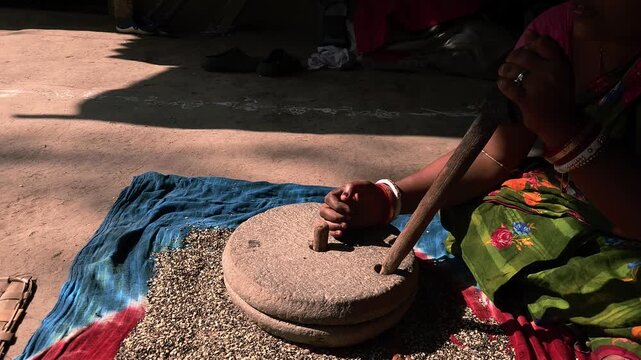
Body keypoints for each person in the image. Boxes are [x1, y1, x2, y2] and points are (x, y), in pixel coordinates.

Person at [320, 1, 641, 358]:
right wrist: (389, 197)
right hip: (566, 201)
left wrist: (561, 127)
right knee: (478, 211)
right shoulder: (555, 36)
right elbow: (493, 155)